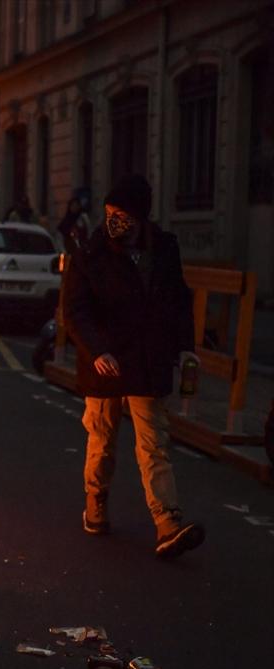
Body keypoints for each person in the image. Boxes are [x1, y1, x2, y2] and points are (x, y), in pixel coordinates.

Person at [62, 173, 205, 559]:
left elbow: (178, 301)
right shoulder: (89, 253)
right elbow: (74, 312)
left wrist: (186, 349)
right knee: (103, 440)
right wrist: (97, 351)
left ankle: (167, 523)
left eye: (121, 213)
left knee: (154, 444)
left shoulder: (165, 249)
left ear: (140, 216)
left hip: (148, 359)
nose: (113, 220)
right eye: (109, 212)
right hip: (106, 363)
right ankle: (96, 502)